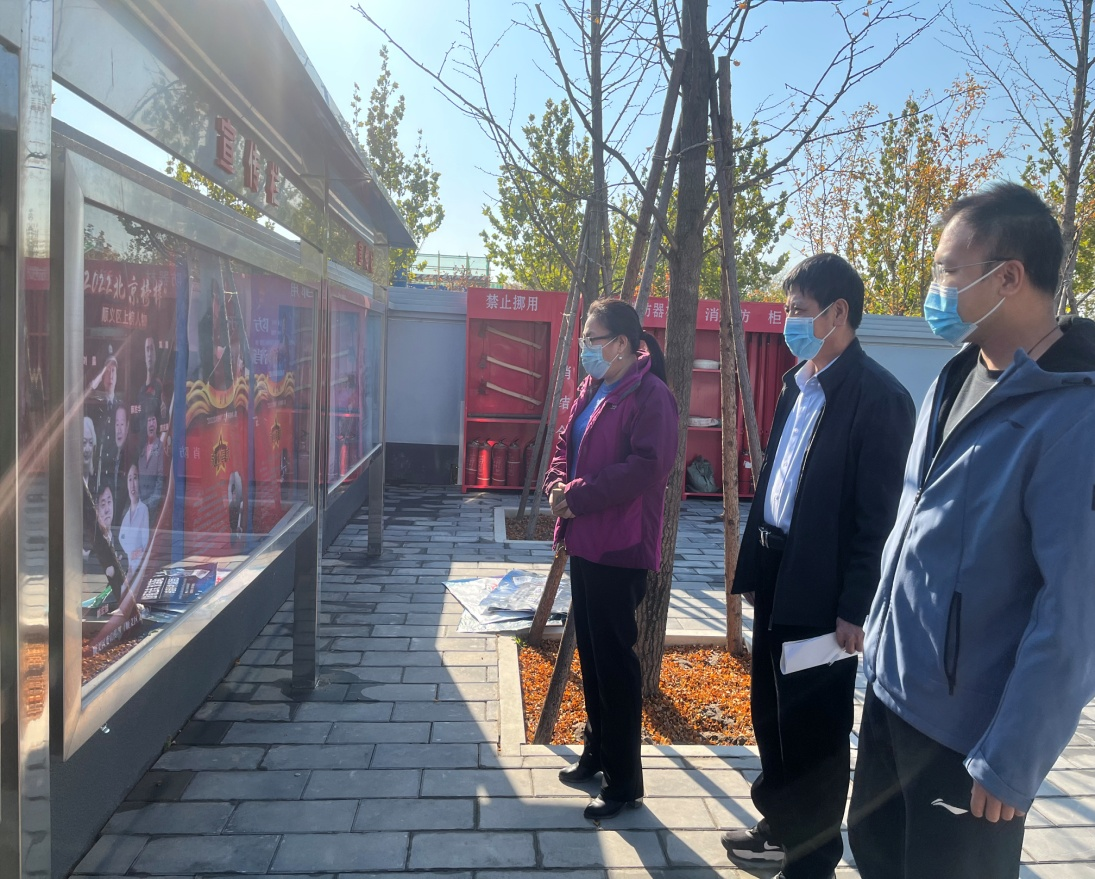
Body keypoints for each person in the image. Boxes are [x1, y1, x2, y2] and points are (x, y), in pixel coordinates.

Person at [849, 182, 1095, 879]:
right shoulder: (956, 376)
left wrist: (1011, 758)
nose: (937, 288)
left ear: (1008, 277)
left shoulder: (1074, 417)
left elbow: (1074, 612)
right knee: (875, 857)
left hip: (968, 735)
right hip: (892, 697)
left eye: (948, 270)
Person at [721, 253, 915, 879]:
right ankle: (780, 827)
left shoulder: (880, 398)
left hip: (825, 588)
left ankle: (812, 860)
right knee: (772, 714)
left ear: (838, 313)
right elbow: (777, 482)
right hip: (780, 570)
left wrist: (854, 606)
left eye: (799, 310)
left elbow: (876, 517)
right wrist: (756, 570)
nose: (790, 322)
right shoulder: (797, 384)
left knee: (816, 730)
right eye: (789, 309)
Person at [544, 298, 679, 821]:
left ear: (622, 343)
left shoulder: (651, 395)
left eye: (592, 339)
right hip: (585, 538)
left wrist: (577, 494)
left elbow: (647, 468)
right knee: (594, 657)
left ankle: (624, 782)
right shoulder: (594, 386)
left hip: (619, 546)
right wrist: (558, 483)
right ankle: (596, 754)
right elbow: (567, 441)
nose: (585, 348)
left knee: (616, 663)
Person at [118, 463, 149, 570]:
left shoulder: (144, 510)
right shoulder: (125, 515)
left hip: (140, 569)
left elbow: (145, 547)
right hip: (127, 569)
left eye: (135, 478)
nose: (132, 484)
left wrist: (130, 556)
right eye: (129, 479)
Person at [138, 411, 165, 519]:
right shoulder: (141, 448)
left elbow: (160, 478)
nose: (151, 423)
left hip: (152, 506)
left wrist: (151, 504)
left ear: (157, 424)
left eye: (153, 420)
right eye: (149, 420)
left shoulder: (160, 446)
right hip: (140, 503)